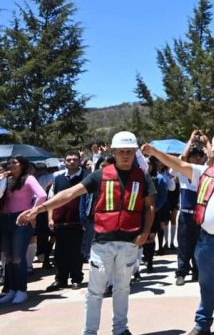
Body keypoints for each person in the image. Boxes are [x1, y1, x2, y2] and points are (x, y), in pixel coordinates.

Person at [18, 131, 157, 335]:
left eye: (129, 151)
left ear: (135, 152)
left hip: (130, 242)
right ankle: (90, 331)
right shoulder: (100, 175)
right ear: (114, 152)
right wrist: (38, 209)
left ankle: (120, 329)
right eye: (121, 152)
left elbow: (150, 206)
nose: (126, 155)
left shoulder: (142, 176)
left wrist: (145, 232)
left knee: (122, 289)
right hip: (102, 242)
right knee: (95, 292)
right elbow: (69, 193)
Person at [142, 131, 214, 335]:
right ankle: (203, 324)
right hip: (206, 241)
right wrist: (154, 152)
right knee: (206, 284)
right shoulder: (204, 172)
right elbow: (179, 165)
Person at [0, 155, 47, 304]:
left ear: (22, 164)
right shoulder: (6, 180)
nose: (11, 165)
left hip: (21, 220)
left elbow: (42, 195)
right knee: (8, 258)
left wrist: (31, 212)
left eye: (15, 162)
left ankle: (21, 290)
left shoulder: (28, 179)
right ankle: (11, 290)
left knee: (18, 257)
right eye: (9, 163)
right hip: (4, 219)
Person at [46, 150, 88, 291]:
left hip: (79, 221)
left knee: (77, 252)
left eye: (74, 159)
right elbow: (51, 200)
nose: (71, 162)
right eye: (68, 159)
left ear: (80, 161)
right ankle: (61, 279)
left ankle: (77, 278)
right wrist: (50, 218)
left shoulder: (86, 177)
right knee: (60, 253)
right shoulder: (57, 179)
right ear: (64, 162)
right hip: (60, 221)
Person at [174, 131, 210, 286]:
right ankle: (181, 273)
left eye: (199, 156)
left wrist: (206, 142)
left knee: (200, 244)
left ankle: (197, 271)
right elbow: (181, 158)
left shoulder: (205, 172)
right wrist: (190, 140)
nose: (197, 159)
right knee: (183, 245)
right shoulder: (182, 172)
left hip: (200, 215)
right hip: (186, 215)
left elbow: (213, 158)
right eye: (193, 156)